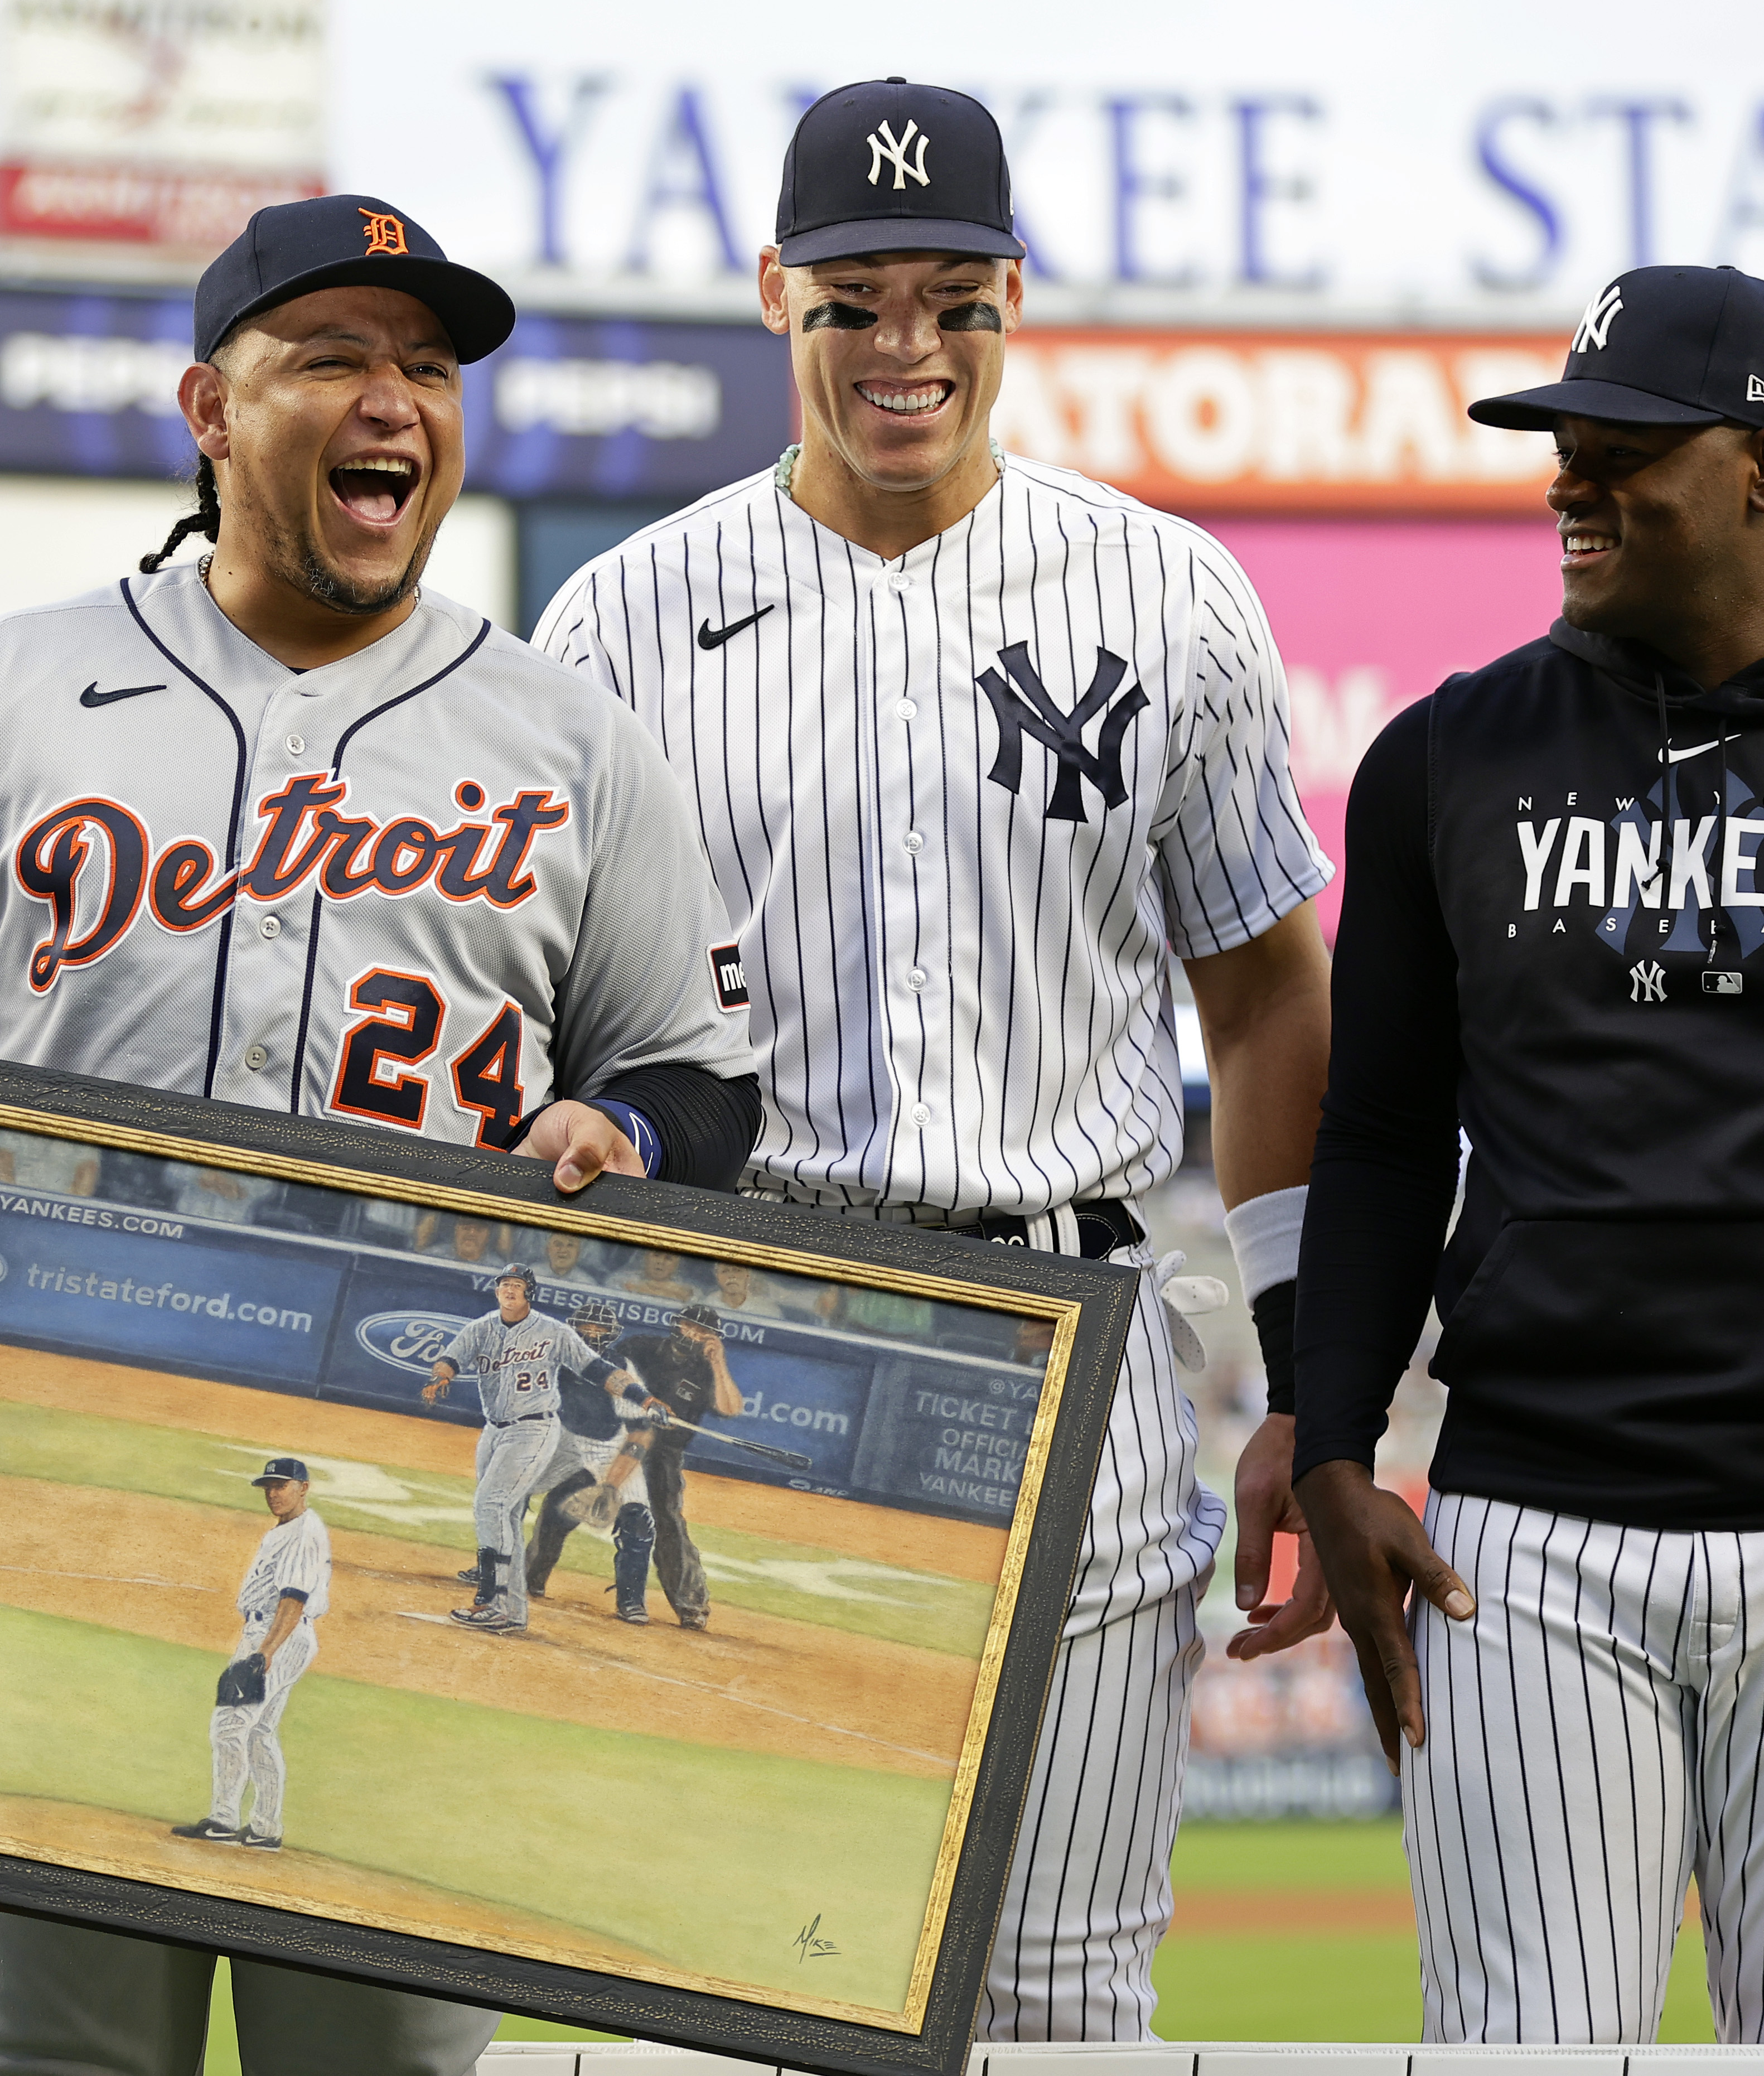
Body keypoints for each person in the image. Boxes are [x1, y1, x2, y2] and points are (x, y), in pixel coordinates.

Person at [0, 194, 760, 2076]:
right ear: (210, 406)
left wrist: (622, 1124)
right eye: (334, 358)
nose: (395, 399)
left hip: (404, 1451)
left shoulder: (570, 741)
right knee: (51, 2051)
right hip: (71, 1442)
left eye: (429, 366)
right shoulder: (13, 686)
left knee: (383, 2061)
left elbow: (700, 1081)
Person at [534, 79, 1334, 2036]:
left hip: (1067, 1309)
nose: (908, 351)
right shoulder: (616, 623)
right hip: (752, 1324)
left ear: (1013, 298)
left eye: (954, 301)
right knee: (746, 1987)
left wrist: (1308, 1374)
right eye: (856, 302)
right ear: (771, 294)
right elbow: (551, 1016)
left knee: (1060, 2004)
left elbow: (1261, 1000)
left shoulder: (1167, 594)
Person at [1292, 263, 1764, 2045]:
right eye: (1562, 443)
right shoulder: (1439, 760)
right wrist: (1332, 1435)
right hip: (1527, 1532)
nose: (1570, 482)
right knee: (1521, 2046)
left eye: (1622, 448)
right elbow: (1386, 1134)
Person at [422, 1264, 637, 1633]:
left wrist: (644, 1399)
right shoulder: (482, 1328)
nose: (509, 1290)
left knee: (491, 1504)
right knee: (503, 1515)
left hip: (533, 1428)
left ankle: (493, 1601)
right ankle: (513, 1613)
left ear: (529, 1293)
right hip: (494, 1430)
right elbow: (452, 1357)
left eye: (517, 1285)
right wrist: (442, 1376)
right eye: (504, 1284)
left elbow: (598, 1369)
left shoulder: (552, 1331)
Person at [171, 1459, 330, 1850]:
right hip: (281, 1637)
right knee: (260, 1732)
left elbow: (294, 1599)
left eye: (282, 1485)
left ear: (304, 1487)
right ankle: (265, 1829)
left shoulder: (303, 1534)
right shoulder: (291, 1529)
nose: (273, 1494)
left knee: (229, 1726)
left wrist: (265, 1653)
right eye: (269, 1487)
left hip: (276, 1636)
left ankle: (224, 1820)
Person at [518, 1300, 663, 1622]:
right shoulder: (551, 1358)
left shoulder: (620, 1368)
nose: (593, 1335)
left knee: (638, 1519)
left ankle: (631, 1602)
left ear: (612, 1335)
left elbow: (640, 1432)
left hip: (604, 1445)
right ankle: (504, 1570)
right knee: (513, 1489)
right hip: (558, 1436)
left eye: (601, 1331)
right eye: (587, 1328)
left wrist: (611, 1485)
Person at [604, 1303, 744, 1628]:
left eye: (702, 1332)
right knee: (567, 1492)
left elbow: (730, 1408)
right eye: (688, 1326)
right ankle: (530, 1574)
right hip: (617, 1439)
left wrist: (719, 1363)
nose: (693, 1335)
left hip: (663, 1454)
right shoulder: (641, 1348)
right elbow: (602, 1376)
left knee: (666, 1520)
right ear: (677, 1325)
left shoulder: (705, 1369)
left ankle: (691, 1605)